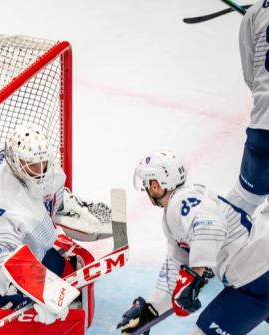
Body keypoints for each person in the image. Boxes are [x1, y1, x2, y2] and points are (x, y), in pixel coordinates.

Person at [0, 122, 111, 324]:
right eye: (32, 165)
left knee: (65, 278)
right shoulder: (0, 195)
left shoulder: (30, 165)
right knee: (32, 314)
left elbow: (42, 195)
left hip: (11, 240)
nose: (40, 170)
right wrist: (41, 293)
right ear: (15, 162)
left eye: (43, 163)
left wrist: (66, 206)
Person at [117, 149, 269, 335]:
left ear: (156, 185)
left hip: (256, 276)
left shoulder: (181, 201)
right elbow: (174, 270)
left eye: (148, 184)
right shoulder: (177, 213)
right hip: (257, 271)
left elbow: (211, 227)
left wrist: (195, 274)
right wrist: (149, 313)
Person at [227, 1, 269, 216]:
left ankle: (207, 239)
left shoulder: (255, 13)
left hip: (263, 127)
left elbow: (251, 79)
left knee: (242, 202)